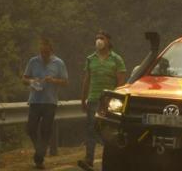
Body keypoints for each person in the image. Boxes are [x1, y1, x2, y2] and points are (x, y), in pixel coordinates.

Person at [77, 30, 127, 171]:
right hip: (93, 98)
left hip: (108, 101)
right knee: (91, 129)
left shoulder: (116, 59)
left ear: (108, 41)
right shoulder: (90, 59)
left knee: (107, 132)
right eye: (97, 38)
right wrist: (83, 98)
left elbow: (121, 82)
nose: (99, 40)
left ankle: (110, 160)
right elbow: (86, 80)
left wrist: (115, 101)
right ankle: (89, 159)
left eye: (102, 38)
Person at [23, 36, 68, 169]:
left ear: (51, 51)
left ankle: (39, 159)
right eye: (42, 52)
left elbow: (65, 82)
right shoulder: (33, 61)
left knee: (45, 130)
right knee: (30, 129)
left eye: (46, 53)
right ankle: (40, 150)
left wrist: (53, 80)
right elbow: (24, 78)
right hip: (35, 101)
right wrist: (32, 81)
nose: (44, 55)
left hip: (50, 102)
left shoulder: (59, 63)